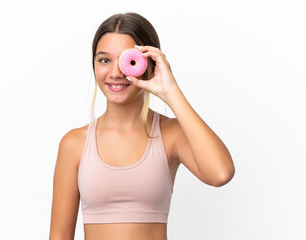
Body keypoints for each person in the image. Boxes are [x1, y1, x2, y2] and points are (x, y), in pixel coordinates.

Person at [49, 12, 235, 240]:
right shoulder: (74, 143)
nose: (115, 73)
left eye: (128, 61)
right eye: (104, 60)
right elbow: (59, 236)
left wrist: (171, 91)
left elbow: (221, 173)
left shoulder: (171, 134)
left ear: (149, 64)